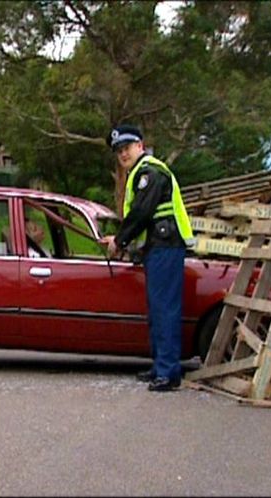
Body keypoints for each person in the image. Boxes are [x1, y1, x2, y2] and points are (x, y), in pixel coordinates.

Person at [101, 124, 195, 392]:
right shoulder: (139, 173)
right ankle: (160, 366)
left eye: (127, 148)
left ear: (140, 145)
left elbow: (141, 213)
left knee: (165, 310)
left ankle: (168, 372)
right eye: (119, 150)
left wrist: (119, 241)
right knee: (157, 310)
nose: (123, 154)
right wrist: (122, 241)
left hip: (166, 248)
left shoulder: (150, 171)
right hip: (158, 248)